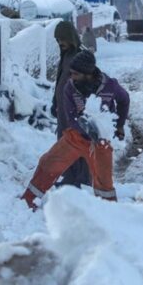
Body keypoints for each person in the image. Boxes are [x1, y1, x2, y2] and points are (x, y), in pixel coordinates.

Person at [22, 50, 130, 209]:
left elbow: (124, 99)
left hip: (101, 142)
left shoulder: (109, 86)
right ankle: (28, 201)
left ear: (88, 74)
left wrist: (119, 124)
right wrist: (86, 128)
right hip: (76, 137)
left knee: (104, 183)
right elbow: (71, 118)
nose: (71, 77)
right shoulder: (70, 88)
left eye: (75, 74)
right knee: (47, 163)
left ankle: (109, 213)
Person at [51, 21, 92, 188]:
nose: (60, 43)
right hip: (63, 110)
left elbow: (87, 84)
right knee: (64, 143)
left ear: (70, 38)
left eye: (63, 39)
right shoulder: (66, 55)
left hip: (75, 110)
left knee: (78, 142)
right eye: (58, 40)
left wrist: (79, 107)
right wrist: (55, 102)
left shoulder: (80, 56)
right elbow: (61, 80)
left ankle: (81, 180)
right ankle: (68, 177)